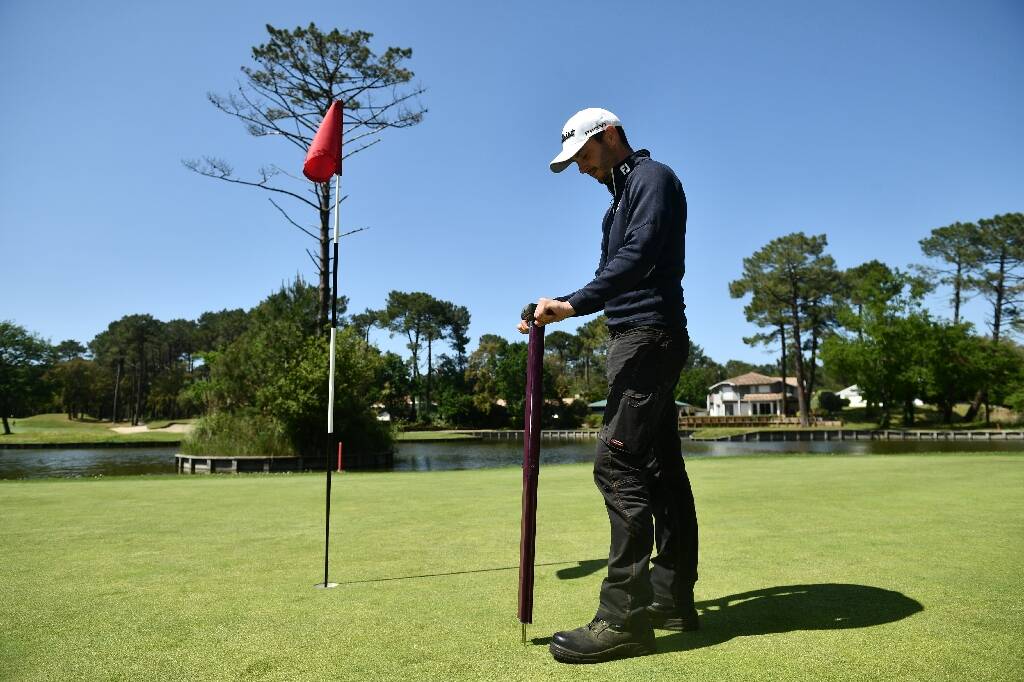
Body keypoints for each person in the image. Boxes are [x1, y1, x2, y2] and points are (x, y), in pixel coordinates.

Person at [518, 107, 699, 664]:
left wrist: (570, 305)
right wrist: (553, 311)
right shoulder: (618, 201)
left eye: (583, 156)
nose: (579, 169)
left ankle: (624, 619)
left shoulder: (652, 179)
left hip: (649, 340)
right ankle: (671, 600)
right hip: (639, 338)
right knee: (661, 470)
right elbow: (618, 267)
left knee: (616, 466)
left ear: (610, 135)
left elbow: (638, 258)